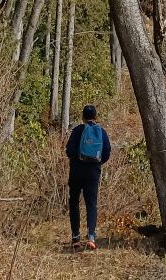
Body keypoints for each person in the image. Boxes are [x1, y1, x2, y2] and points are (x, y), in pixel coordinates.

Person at [65, 104, 111, 250]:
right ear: (95, 117)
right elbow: (107, 152)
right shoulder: (101, 131)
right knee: (91, 204)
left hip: (76, 171)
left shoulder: (78, 130)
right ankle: (91, 237)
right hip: (93, 172)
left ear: (83, 117)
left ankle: (76, 238)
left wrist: (76, 159)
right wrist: (97, 163)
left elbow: (69, 150)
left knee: (74, 202)